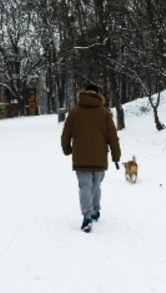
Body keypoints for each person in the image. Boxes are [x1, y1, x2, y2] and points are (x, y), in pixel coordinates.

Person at [61, 84, 121, 233]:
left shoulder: (74, 112)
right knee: (96, 185)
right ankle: (95, 210)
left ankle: (87, 216)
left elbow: (66, 134)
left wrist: (67, 149)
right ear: (98, 94)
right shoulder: (104, 113)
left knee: (84, 187)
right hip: (99, 157)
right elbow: (112, 136)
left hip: (81, 157)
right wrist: (116, 155)